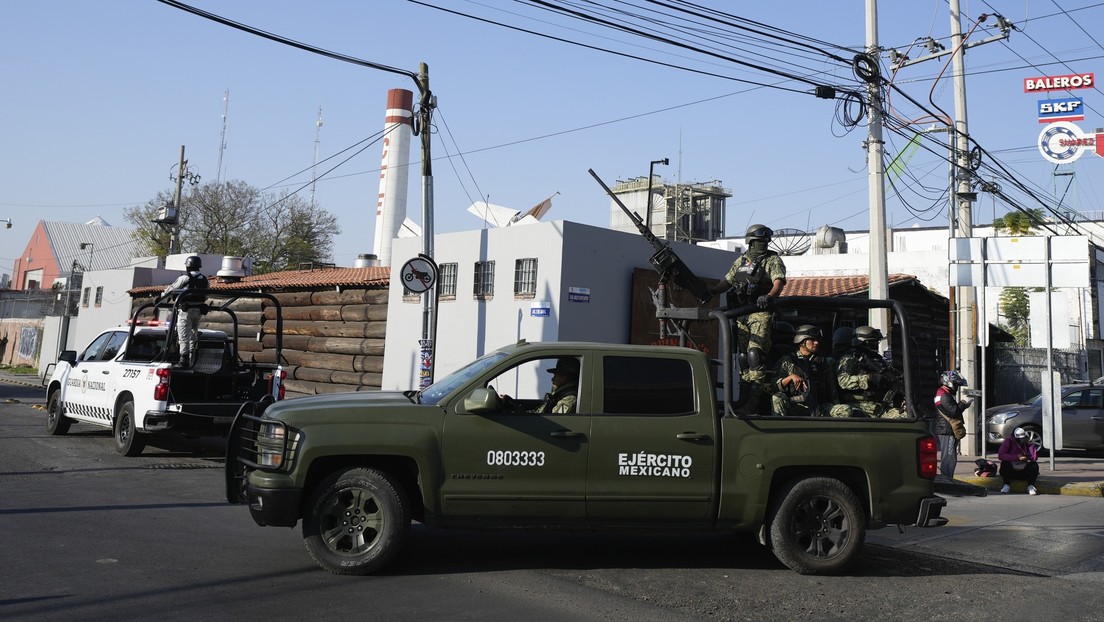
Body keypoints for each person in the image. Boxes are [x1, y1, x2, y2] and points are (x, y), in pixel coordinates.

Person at [709, 224, 786, 411]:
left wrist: (769, 297)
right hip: (742, 313)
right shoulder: (742, 261)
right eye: (761, 241)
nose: (764, 244)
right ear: (751, 242)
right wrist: (711, 292)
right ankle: (743, 400)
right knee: (743, 359)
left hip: (760, 312)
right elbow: (728, 281)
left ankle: (753, 402)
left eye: (766, 241)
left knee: (755, 355)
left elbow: (779, 282)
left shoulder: (772, 259)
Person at [771, 325, 842, 417]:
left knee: (845, 411)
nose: (816, 343)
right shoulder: (788, 361)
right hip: (796, 405)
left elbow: (832, 390)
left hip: (818, 407)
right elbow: (774, 386)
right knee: (777, 398)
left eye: (817, 340)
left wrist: (836, 405)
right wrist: (791, 377)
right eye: (812, 340)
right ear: (801, 341)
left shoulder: (824, 362)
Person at [835, 326, 906, 418]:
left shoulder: (879, 360)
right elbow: (843, 381)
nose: (876, 344)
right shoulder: (849, 359)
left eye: (877, 341)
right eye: (873, 342)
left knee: (906, 416)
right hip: (858, 406)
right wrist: (869, 378)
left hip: (880, 407)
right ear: (863, 342)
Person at [160, 255, 209, 367]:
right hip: (199, 311)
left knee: (183, 336)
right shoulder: (205, 279)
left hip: (186, 311)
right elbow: (206, 296)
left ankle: (183, 360)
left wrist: (162, 297)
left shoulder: (184, 278)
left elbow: (170, 290)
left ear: (188, 266)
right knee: (193, 334)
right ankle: (193, 359)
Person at [932, 370, 970, 478]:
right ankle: (947, 480)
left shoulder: (943, 393)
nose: (957, 388)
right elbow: (954, 411)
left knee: (949, 457)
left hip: (946, 430)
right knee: (949, 457)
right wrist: (962, 404)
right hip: (947, 430)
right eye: (956, 385)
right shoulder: (944, 395)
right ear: (949, 383)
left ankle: (947, 478)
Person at [997, 426, 1040, 494]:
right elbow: (1001, 455)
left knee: (1034, 465)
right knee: (1005, 463)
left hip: (1023, 470)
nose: (1021, 441)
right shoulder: (1008, 441)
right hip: (1011, 470)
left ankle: (1031, 486)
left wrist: (1031, 445)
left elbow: (1034, 458)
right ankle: (1006, 485)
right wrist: (1016, 457)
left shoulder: (1026, 443)